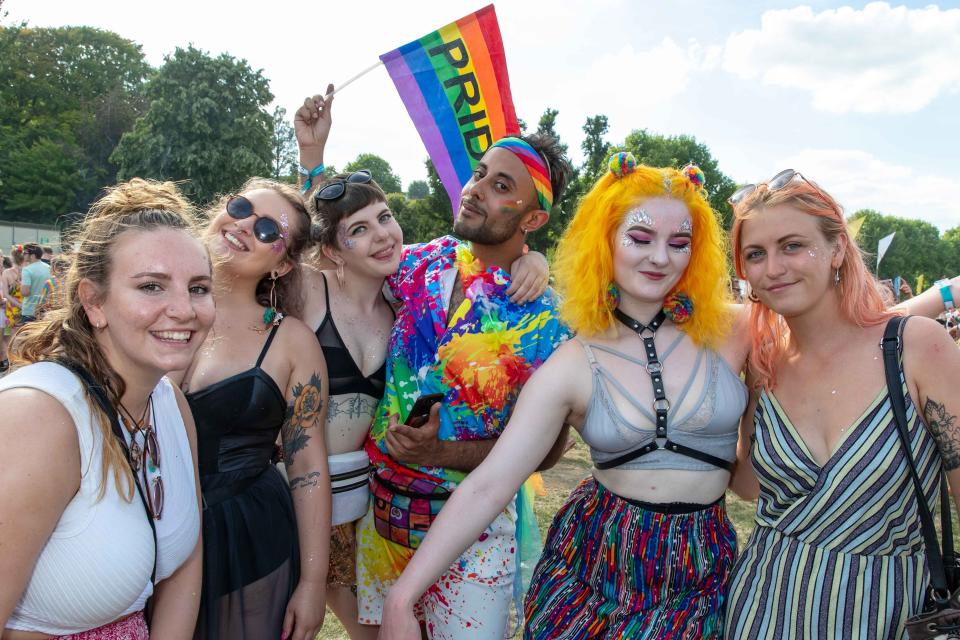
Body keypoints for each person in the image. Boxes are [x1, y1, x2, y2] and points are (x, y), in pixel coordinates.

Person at [381, 155, 750, 639]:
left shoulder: (741, 329)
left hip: (703, 578)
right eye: (640, 239)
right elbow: (491, 483)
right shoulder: (572, 358)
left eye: (679, 243)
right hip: (593, 575)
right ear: (605, 241)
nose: (660, 257)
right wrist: (404, 597)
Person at [293, 89, 555, 638]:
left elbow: (550, 449)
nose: (475, 189)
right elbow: (342, 239)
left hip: (472, 538)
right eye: (480, 174)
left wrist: (444, 452)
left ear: (533, 216)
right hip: (382, 522)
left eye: (500, 186)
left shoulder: (544, 319)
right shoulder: (420, 263)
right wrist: (313, 162)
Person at [724, 170, 960, 638]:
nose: (773, 268)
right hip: (761, 610)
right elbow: (748, 486)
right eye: (756, 254)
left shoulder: (917, 347)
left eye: (793, 246)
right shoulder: (761, 363)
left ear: (836, 250)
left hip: (887, 615)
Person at [0, 179, 212, 639]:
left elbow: (185, 557)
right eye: (152, 286)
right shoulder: (40, 417)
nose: (184, 309)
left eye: (198, 288)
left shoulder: (169, 402)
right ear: (94, 303)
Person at [179, 177, 331, 640]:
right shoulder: (148, 307)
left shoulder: (291, 342)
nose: (244, 225)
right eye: (241, 207)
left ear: (283, 266)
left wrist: (312, 582)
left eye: (267, 229)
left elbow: (307, 467)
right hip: (144, 525)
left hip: (244, 536)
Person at [1, 248, 24, 371]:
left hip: (10, 311)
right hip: (25, 309)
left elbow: (5, 294)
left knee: (7, 336)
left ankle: (10, 361)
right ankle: (19, 362)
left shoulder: (7, 273)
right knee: (21, 335)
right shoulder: (28, 271)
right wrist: (22, 305)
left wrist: (16, 304)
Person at [19, 243, 51, 323]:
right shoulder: (49, 268)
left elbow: (25, 292)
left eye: (25, 253)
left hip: (30, 311)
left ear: (32, 255)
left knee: (27, 335)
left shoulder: (27, 270)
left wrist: (20, 286)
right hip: (45, 310)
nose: (23, 255)